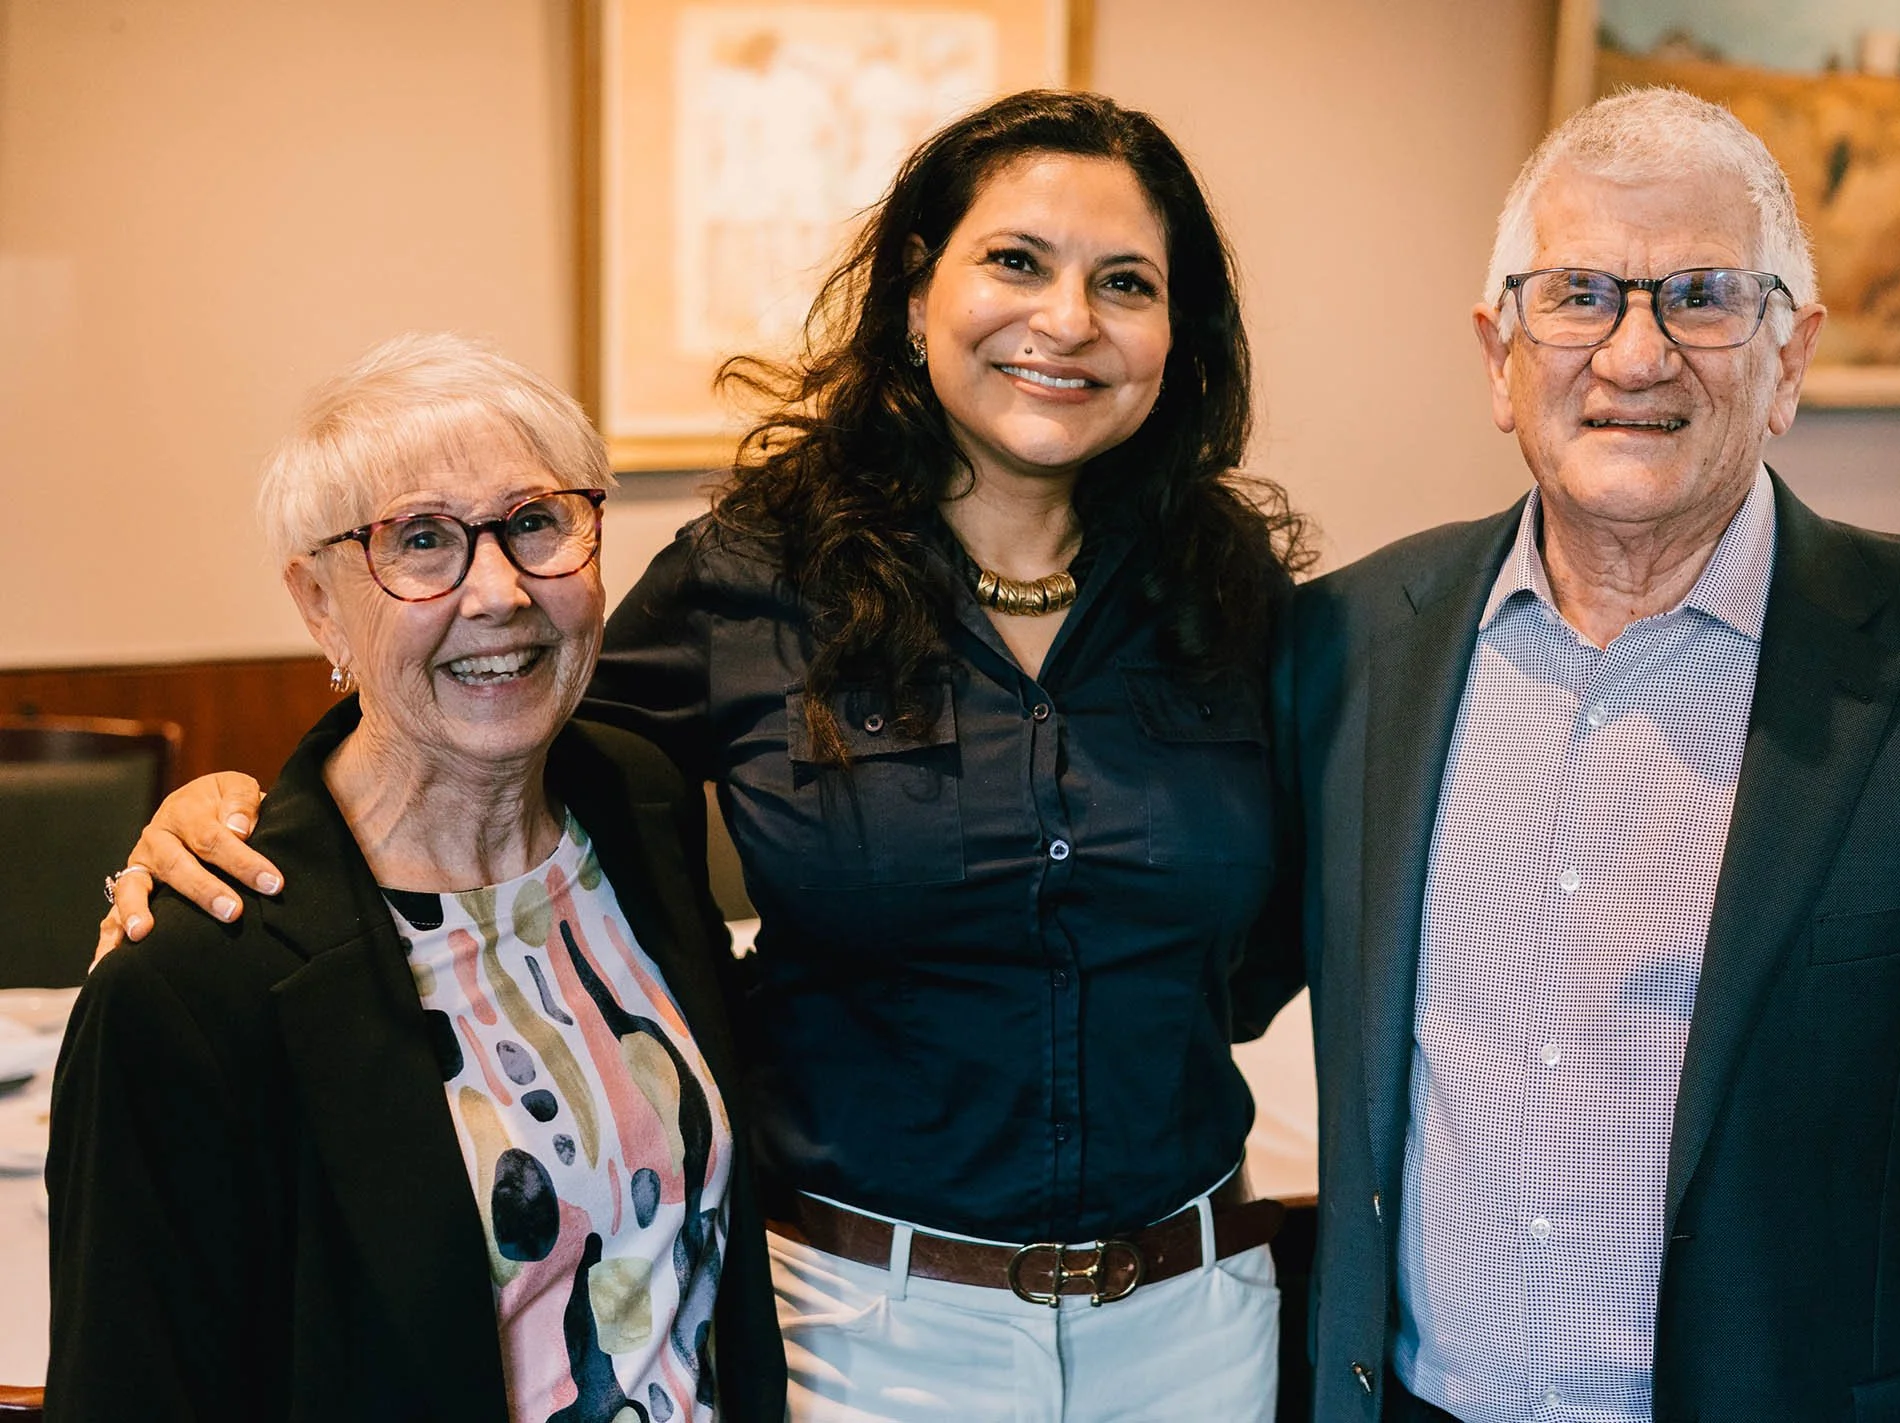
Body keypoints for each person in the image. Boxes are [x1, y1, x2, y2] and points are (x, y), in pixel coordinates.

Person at [96, 91, 1308, 1421]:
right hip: (864, 1330)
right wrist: (242, 811)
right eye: (1015, 260)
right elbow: (486, 732)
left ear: (1175, 332)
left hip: (1192, 1317)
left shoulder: (1223, 586)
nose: (1066, 318)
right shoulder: (756, 575)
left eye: (1123, 281)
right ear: (916, 289)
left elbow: (1274, 927)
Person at [1263, 88, 1900, 1422]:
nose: (1632, 354)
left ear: (1788, 358)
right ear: (1497, 355)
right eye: (1578, 295)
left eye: (1702, 296)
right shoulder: (1346, 645)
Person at [49, 335, 784, 1421]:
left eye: (536, 523)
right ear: (318, 602)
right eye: (422, 541)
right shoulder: (197, 980)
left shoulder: (636, 806)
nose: (497, 592)